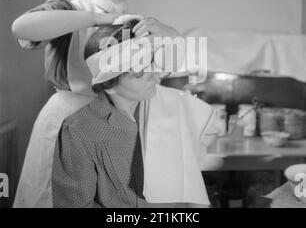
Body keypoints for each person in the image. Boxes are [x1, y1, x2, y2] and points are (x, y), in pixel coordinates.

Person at [11, 0, 179, 208]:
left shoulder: (137, 23)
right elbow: (22, 28)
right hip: (66, 121)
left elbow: (164, 71)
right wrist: (97, 19)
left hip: (114, 127)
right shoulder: (69, 9)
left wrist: (170, 35)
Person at [52, 19, 215, 207]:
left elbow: (192, 185)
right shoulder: (79, 130)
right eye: (139, 73)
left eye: (152, 62)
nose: (155, 74)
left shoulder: (171, 108)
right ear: (110, 86)